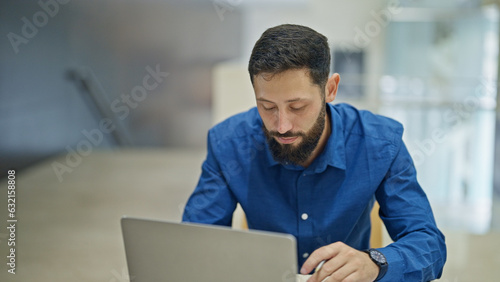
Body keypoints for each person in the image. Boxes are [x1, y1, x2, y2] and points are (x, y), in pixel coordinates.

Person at [182, 24, 446, 281]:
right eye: (267, 107)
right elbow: (194, 244)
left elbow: (429, 244)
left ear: (330, 89)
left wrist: (374, 262)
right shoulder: (229, 143)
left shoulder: (379, 143)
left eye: (297, 107)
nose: (282, 126)